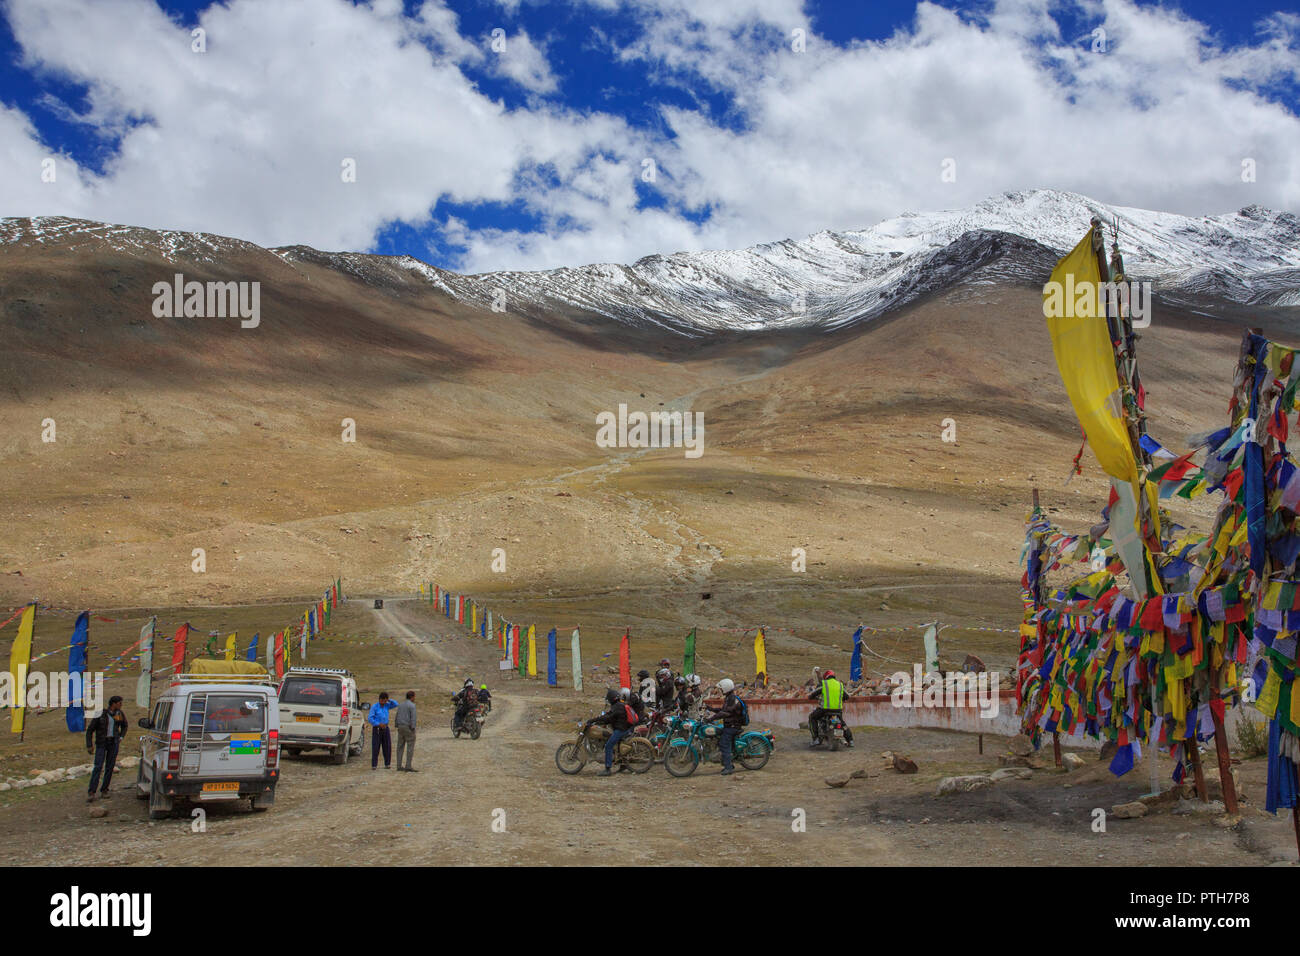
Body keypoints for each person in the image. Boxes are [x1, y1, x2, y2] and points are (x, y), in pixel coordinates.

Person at [585, 688, 637, 777]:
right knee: (611, 741)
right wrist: (599, 720)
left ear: (611, 699)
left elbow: (608, 717)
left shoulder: (617, 707)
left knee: (608, 746)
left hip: (621, 729)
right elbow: (610, 717)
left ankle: (607, 769)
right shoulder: (619, 705)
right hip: (625, 727)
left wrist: (594, 720)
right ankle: (623, 765)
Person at [85, 695, 127, 802]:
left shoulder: (119, 714)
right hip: (101, 743)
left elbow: (124, 725)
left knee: (110, 766)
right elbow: (90, 730)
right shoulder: (101, 714)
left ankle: (104, 790)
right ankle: (91, 791)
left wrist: (121, 736)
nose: (121, 705)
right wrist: (89, 745)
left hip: (113, 743)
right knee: (98, 766)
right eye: (119, 703)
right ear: (114, 703)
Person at [705, 678, 743, 776]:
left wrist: (711, 718)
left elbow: (725, 713)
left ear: (726, 689)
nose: (720, 691)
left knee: (723, 743)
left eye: (721, 689)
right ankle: (728, 761)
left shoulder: (732, 700)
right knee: (717, 734)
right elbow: (722, 710)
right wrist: (711, 709)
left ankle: (728, 767)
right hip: (729, 724)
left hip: (733, 726)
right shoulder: (729, 698)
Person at [808, 668, 853, 747]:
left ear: (826, 677)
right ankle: (850, 740)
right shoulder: (840, 685)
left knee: (812, 717)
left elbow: (814, 693)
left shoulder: (824, 684)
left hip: (824, 709)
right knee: (842, 723)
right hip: (838, 710)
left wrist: (810, 697)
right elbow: (847, 696)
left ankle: (816, 739)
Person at [368, 692, 398, 769]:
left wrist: (389, 700)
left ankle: (387, 764)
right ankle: (374, 765)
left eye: (385, 701)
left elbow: (396, 704)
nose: (384, 702)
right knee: (376, 747)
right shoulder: (375, 707)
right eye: (383, 700)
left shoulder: (387, 706)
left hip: (385, 728)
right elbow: (370, 718)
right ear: (380, 699)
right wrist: (378, 724)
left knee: (387, 746)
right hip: (377, 728)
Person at [395, 690, 417, 772]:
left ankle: (399, 765)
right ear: (412, 697)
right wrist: (413, 727)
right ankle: (408, 765)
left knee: (400, 746)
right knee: (410, 746)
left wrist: (397, 725)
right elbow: (413, 718)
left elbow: (397, 715)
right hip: (408, 727)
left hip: (400, 727)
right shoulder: (412, 706)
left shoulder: (400, 705)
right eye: (414, 696)